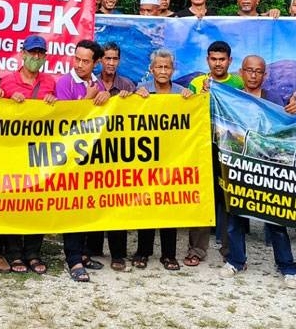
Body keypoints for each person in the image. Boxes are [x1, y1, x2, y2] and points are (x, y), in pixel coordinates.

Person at [223, 55, 296, 286]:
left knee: (275, 219)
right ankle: (236, 261)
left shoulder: (276, 100)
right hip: (238, 165)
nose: (253, 75)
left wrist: (293, 113)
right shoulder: (231, 99)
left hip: (268, 168)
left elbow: (290, 129)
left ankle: (287, 266)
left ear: (265, 75)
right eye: (249, 70)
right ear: (241, 72)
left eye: (258, 71)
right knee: (234, 217)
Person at [0, 35, 57, 275]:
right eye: (32, 52)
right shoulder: (7, 81)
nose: (36, 57)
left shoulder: (50, 82)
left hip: (39, 154)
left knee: (37, 202)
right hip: (12, 153)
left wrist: (54, 102)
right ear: (23, 53)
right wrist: (4, 98)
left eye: (40, 53)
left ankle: (33, 252)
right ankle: (14, 252)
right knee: (13, 201)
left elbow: (60, 115)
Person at [185, 41, 244, 268]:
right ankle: (197, 249)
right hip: (202, 147)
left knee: (229, 200)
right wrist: (197, 96)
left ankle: (230, 251)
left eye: (222, 59)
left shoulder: (238, 83)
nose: (217, 63)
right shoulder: (197, 83)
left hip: (230, 149)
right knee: (201, 198)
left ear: (229, 61)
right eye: (213, 59)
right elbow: (185, 110)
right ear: (207, 60)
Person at [133, 49, 192, 271]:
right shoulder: (141, 93)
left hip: (173, 160)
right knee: (146, 207)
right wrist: (134, 101)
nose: (163, 71)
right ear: (151, 69)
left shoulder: (182, 94)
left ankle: (169, 254)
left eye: (167, 67)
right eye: (159, 67)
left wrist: (189, 101)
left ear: (173, 70)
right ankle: (143, 251)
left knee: (170, 207)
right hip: (147, 161)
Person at [55, 40, 109, 282]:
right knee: (72, 207)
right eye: (77, 58)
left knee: (87, 206)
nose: (79, 64)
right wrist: (88, 99)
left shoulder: (98, 84)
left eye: (85, 61)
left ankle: (84, 253)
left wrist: (106, 96)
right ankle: (73, 258)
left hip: (91, 157)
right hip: (69, 157)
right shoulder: (65, 82)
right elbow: (63, 119)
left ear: (96, 63)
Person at [87, 42, 135, 269]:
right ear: (99, 61)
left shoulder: (127, 85)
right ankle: (93, 249)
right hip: (93, 151)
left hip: (118, 153)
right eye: (107, 58)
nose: (111, 63)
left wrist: (132, 98)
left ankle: (118, 254)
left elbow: (141, 115)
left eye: (115, 59)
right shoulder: (91, 83)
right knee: (94, 199)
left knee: (117, 202)